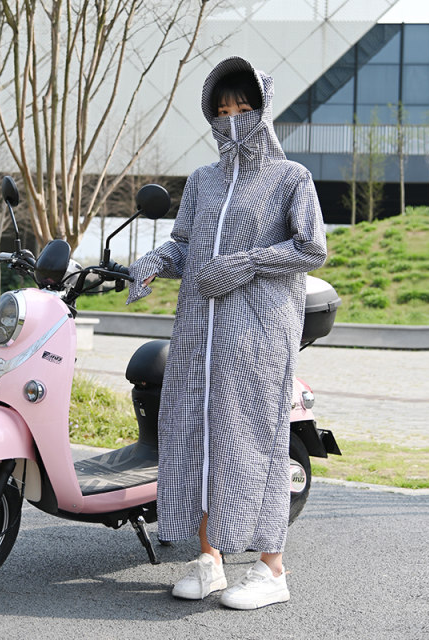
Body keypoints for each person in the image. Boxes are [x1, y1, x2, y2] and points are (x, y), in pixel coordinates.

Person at [126, 56, 327, 610]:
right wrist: (155, 261)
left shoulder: (291, 178)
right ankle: (209, 559)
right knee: (197, 440)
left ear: (262, 110)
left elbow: (311, 248)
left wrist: (245, 263)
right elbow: (187, 246)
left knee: (254, 444)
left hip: (256, 338)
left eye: (242, 107)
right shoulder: (202, 180)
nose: (232, 118)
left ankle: (272, 569)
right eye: (222, 110)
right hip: (197, 336)